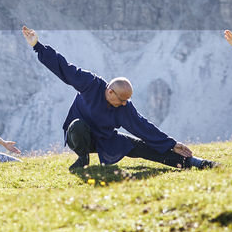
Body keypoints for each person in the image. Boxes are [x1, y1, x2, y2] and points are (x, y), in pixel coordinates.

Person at [21, 26, 215, 171]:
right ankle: (82, 159)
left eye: (126, 102)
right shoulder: (91, 84)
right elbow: (65, 68)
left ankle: (193, 163)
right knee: (78, 125)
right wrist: (37, 46)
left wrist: (172, 144)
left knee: (143, 147)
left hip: (104, 139)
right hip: (78, 137)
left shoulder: (123, 107)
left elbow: (143, 127)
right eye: (121, 100)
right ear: (110, 91)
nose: (124, 104)